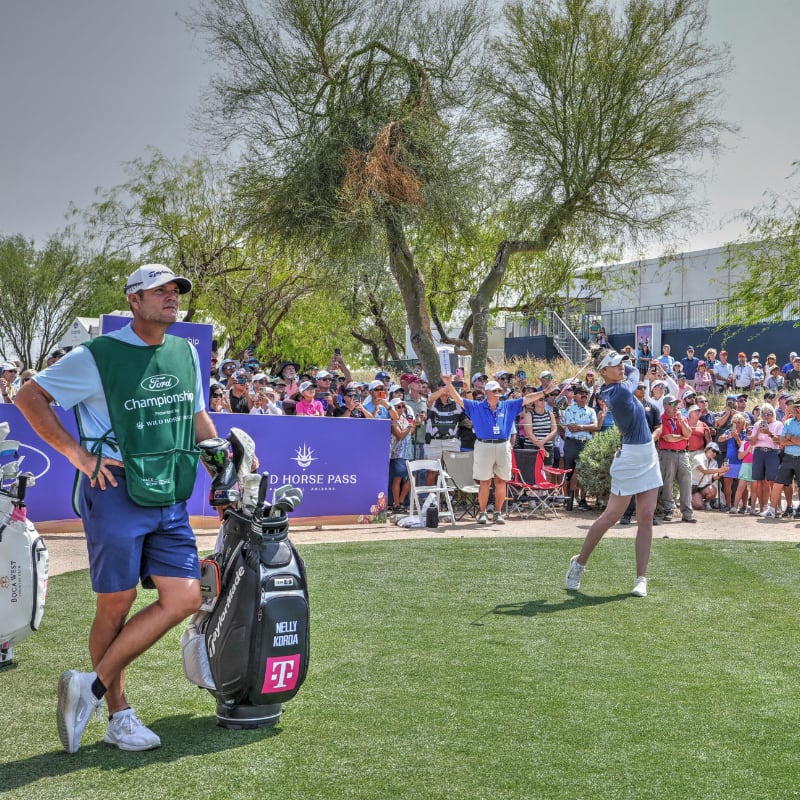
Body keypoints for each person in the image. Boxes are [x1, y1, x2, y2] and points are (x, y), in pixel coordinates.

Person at [15, 264, 216, 754]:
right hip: (116, 490)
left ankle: (90, 686)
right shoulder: (96, 355)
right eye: (159, 291)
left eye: (175, 291)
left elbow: (196, 418)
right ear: (133, 299)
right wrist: (78, 455)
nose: (171, 297)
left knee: (186, 598)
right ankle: (118, 714)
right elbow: (28, 396)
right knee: (117, 603)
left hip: (169, 490)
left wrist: (222, 465)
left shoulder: (184, 351)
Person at [565, 348, 662, 598]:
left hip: (648, 455)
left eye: (621, 364)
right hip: (629, 458)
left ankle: (641, 578)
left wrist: (610, 355)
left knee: (647, 515)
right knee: (611, 517)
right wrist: (610, 360)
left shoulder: (614, 383)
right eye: (615, 365)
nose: (621, 367)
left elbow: (631, 369)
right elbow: (634, 373)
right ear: (603, 372)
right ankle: (579, 563)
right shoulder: (615, 392)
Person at [442, 374, 542, 525]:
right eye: (495, 390)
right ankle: (482, 513)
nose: (498, 393)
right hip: (484, 445)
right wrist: (449, 384)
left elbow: (528, 398)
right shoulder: (476, 406)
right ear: (487, 392)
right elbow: (458, 399)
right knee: (485, 482)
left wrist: (545, 391)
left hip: (503, 445)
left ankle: (497, 513)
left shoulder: (507, 405)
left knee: (501, 481)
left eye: (499, 390)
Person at [657, 394, 696, 523]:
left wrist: (681, 422)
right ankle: (669, 510)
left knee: (686, 482)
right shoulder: (661, 419)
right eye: (673, 405)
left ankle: (687, 513)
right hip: (667, 453)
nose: (676, 407)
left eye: (677, 404)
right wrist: (683, 437)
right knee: (667, 483)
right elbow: (668, 438)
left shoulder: (681, 418)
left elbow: (689, 433)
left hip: (683, 454)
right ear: (665, 406)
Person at [691, 442, 728, 511]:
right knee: (699, 506)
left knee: (713, 490)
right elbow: (704, 471)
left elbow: (714, 477)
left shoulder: (714, 462)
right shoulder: (698, 457)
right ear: (706, 449)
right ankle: (691, 499)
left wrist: (721, 473)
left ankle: (706, 502)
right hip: (693, 488)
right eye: (713, 451)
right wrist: (719, 470)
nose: (714, 454)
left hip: (704, 487)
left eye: (716, 452)